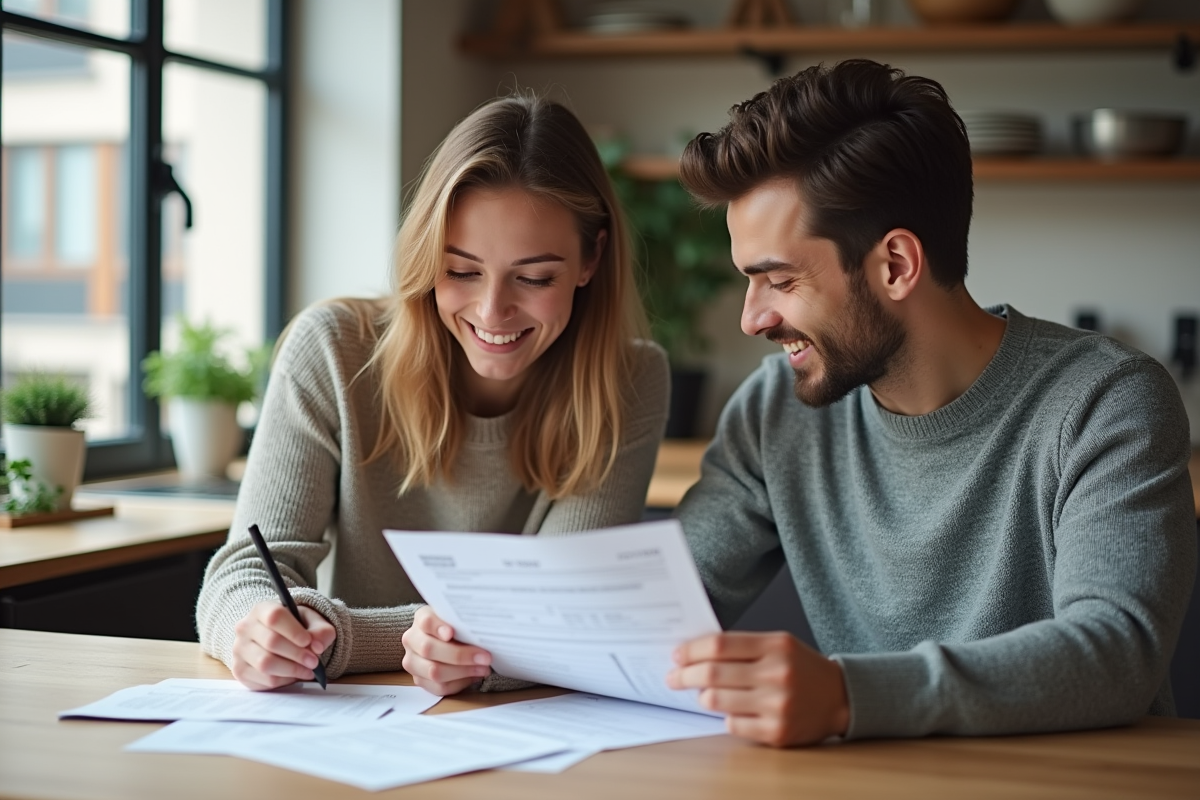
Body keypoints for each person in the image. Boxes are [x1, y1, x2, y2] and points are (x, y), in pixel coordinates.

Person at [665, 59, 1196, 746]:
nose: (752, 319)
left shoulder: (1105, 402)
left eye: (780, 280)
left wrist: (850, 697)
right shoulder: (774, 412)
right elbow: (659, 610)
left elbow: (1117, 651)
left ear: (895, 265)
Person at [196, 94, 669, 695]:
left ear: (591, 258)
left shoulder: (629, 382)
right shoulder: (334, 350)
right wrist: (256, 630)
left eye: (534, 277)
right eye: (461, 271)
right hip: (348, 722)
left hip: (522, 734)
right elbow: (242, 575)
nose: (492, 311)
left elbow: (555, 623)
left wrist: (340, 639)